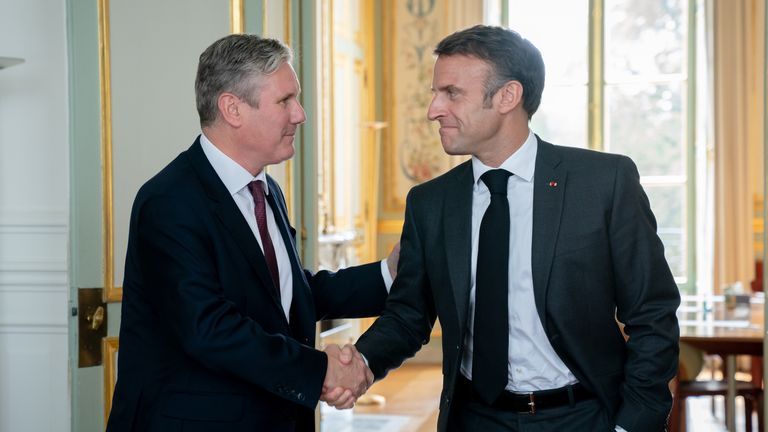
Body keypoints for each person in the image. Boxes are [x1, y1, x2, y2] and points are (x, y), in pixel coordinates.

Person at [353, 25, 680, 432]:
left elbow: (652, 314)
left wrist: (633, 424)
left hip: (583, 417)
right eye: (435, 93)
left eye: (451, 93)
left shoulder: (603, 183)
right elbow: (409, 315)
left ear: (508, 96)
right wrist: (361, 362)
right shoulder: (430, 202)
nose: (433, 109)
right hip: (473, 419)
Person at [106, 34, 397, 432]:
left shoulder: (267, 189)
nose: (300, 114)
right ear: (232, 108)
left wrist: (389, 273)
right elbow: (209, 328)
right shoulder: (169, 200)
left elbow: (287, 295)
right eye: (285, 100)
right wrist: (320, 371)